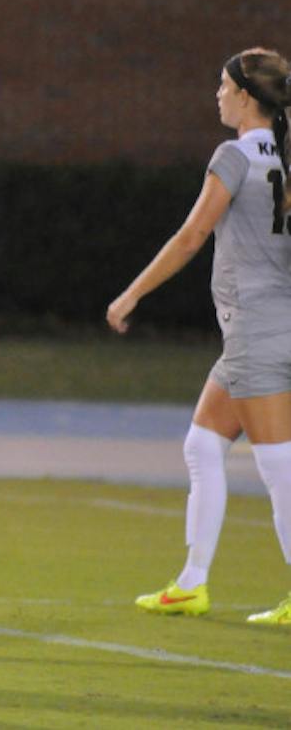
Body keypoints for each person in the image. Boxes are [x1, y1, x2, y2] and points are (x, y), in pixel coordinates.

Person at [109, 48, 291, 626]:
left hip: (256, 333)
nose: (216, 94)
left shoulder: (234, 155)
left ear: (244, 95)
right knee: (203, 445)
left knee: (279, 466)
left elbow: (191, 237)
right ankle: (191, 583)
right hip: (274, 326)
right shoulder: (285, 156)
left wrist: (132, 293)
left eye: (222, 85)